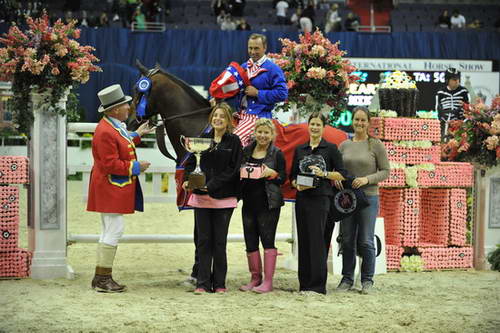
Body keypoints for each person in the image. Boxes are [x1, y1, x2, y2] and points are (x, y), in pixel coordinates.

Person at [87, 84, 155, 293]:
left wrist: (137, 134)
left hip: (109, 186)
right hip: (110, 186)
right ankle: (102, 279)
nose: (129, 107)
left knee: (108, 229)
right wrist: (136, 167)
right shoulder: (106, 131)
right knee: (114, 229)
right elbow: (109, 164)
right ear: (115, 109)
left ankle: (100, 276)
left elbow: (121, 141)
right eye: (125, 105)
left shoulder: (112, 125)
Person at [182, 102, 243, 294]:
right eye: (215, 116)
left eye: (222, 117)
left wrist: (212, 185)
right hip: (201, 198)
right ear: (211, 118)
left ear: (228, 121)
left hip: (223, 198)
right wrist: (187, 180)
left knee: (219, 242)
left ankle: (219, 284)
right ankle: (202, 283)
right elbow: (192, 163)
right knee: (203, 240)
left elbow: (233, 170)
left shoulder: (234, 142)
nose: (218, 119)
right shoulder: (201, 139)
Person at [334, 106, 389, 295]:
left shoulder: (376, 145)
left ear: (368, 122)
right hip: (347, 199)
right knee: (347, 239)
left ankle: (367, 279)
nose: (359, 123)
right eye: (356, 119)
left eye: (363, 120)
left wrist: (367, 179)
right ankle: (347, 278)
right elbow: (337, 170)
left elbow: (385, 171)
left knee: (366, 240)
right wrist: (336, 180)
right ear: (352, 121)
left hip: (369, 197)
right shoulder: (344, 145)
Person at [290, 111, 346, 295]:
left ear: (323, 127)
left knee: (317, 242)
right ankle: (304, 284)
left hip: (321, 200)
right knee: (304, 242)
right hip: (302, 200)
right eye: (312, 124)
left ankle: (317, 286)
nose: (314, 127)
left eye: (318, 125)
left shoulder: (331, 149)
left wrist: (324, 174)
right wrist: (296, 185)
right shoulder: (300, 149)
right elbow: (292, 177)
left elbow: (342, 174)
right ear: (308, 125)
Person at [213, 34, 288, 147]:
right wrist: (217, 97)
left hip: (259, 116)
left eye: (256, 48)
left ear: (265, 48)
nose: (253, 52)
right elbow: (232, 88)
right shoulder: (244, 67)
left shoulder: (273, 69)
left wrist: (258, 93)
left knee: (234, 143)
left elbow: (282, 93)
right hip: (239, 114)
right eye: (250, 48)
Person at [239, 118, 286, 293]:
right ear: (254, 133)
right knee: (250, 241)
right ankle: (255, 278)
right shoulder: (246, 151)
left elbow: (283, 178)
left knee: (267, 240)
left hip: (269, 203)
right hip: (248, 203)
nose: (263, 135)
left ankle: (268, 281)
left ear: (272, 134)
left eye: (266, 132)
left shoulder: (277, 153)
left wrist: (272, 174)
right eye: (260, 132)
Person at [435, 68, 470, 136]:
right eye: (454, 79)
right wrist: (440, 120)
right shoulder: (440, 92)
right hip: (444, 122)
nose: (457, 81)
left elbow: (469, 108)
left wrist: (464, 122)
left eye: (458, 79)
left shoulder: (464, 91)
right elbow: (437, 108)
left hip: (460, 123)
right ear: (447, 80)